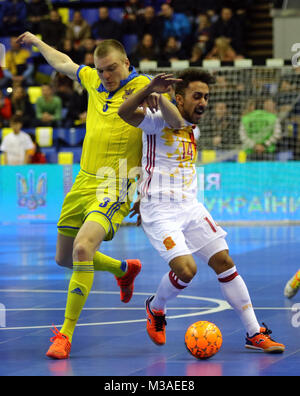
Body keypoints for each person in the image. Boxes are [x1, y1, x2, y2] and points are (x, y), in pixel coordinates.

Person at [16, 31, 166, 360]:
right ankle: (123, 269)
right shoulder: (94, 82)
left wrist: (157, 97)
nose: (106, 76)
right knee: (64, 258)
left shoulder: (143, 86)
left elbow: (164, 114)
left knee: (83, 248)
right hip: (83, 181)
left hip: (117, 183)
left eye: (111, 68)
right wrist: (40, 42)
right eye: (100, 70)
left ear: (127, 63)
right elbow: (64, 64)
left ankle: (65, 334)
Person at [118, 69, 285, 354]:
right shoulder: (156, 122)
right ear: (179, 99)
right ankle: (156, 308)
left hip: (190, 206)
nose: (204, 102)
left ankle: (254, 332)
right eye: (198, 96)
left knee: (224, 261)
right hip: (160, 212)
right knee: (186, 270)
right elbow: (124, 112)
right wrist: (149, 90)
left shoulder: (193, 128)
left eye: (206, 97)